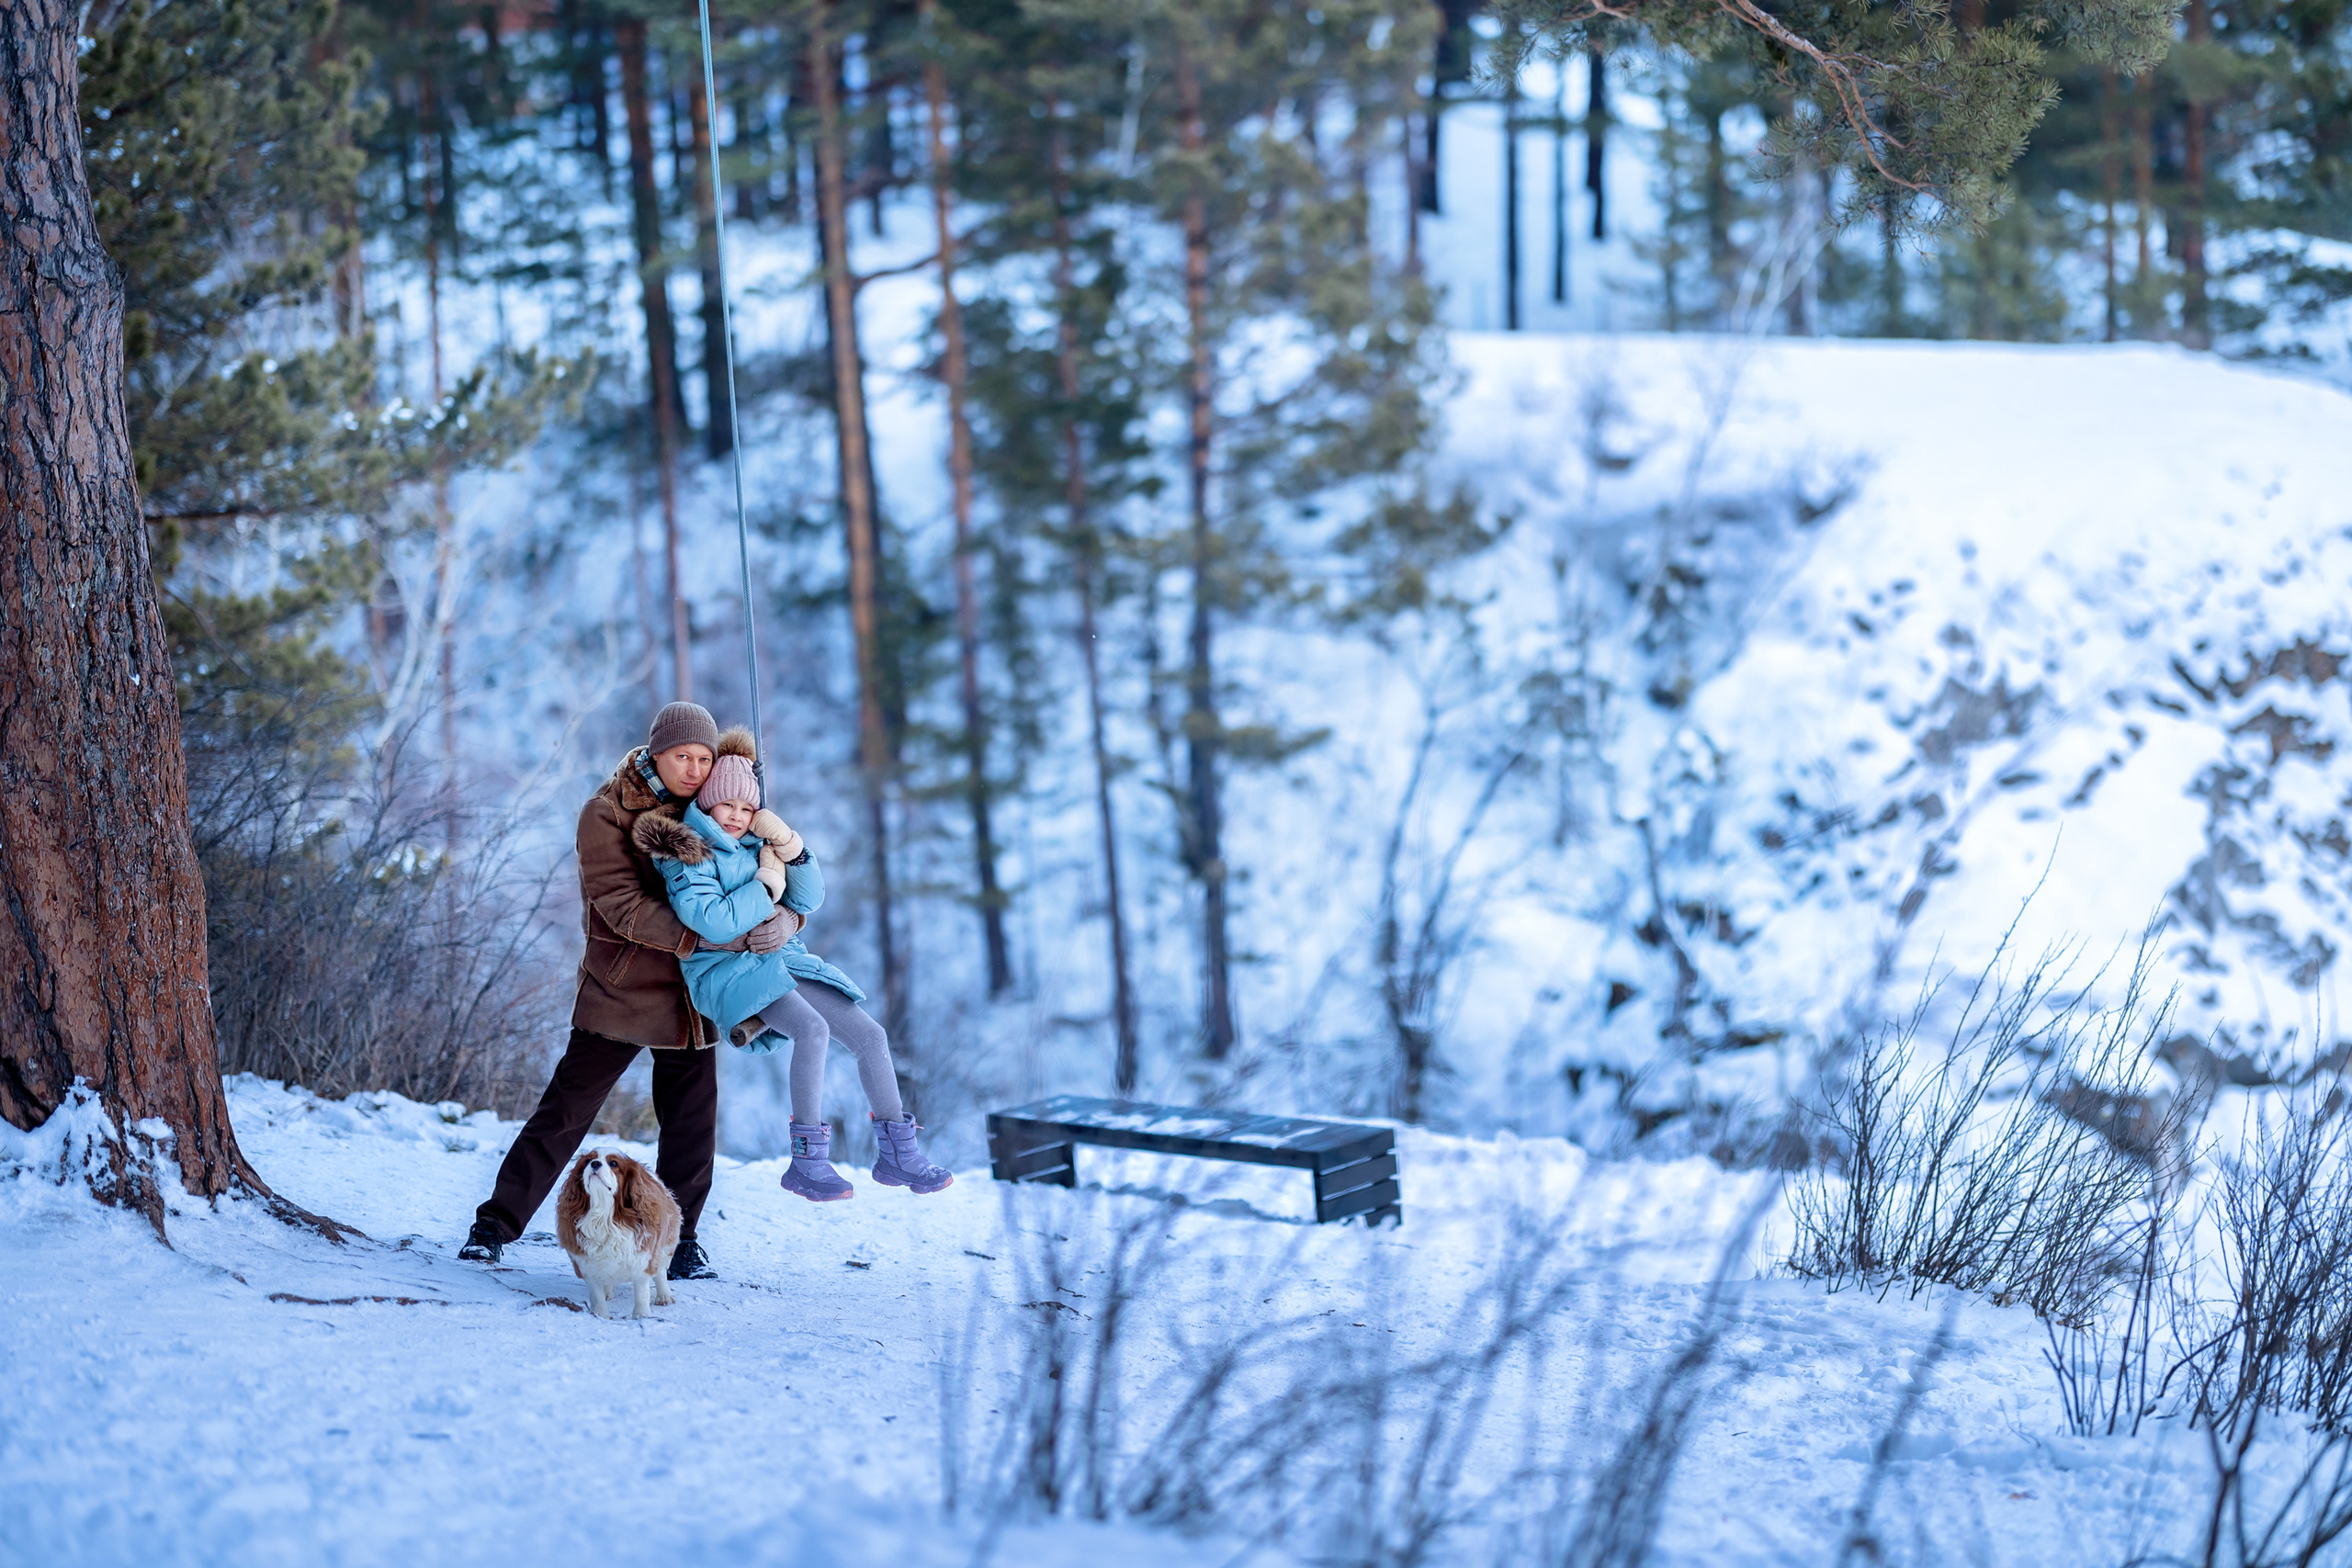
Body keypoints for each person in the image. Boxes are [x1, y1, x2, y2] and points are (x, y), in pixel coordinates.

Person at [457, 702, 795, 1278]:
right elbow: (620, 906)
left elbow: (773, 878)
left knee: (692, 1126)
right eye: (682, 756)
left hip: (694, 995)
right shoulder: (606, 812)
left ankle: (680, 1242)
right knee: (565, 1112)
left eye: (704, 758)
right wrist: (719, 939)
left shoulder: (722, 808)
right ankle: (494, 1225)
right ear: (655, 752)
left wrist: (785, 922)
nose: (693, 769)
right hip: (623, 989)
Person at [635, 728, 952, 1202]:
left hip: (776, 957)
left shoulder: (753, 844)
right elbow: (713, 921)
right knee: (813, 1029)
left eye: (748, 809)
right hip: (722, 970)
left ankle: (897, 1153)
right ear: (706, 805)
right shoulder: (688, 855)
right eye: (728, 807)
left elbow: (810, 898)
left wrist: (790, 848)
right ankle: (807, 1159)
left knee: (870, 1036)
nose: (738, 818)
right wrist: (764, 888)